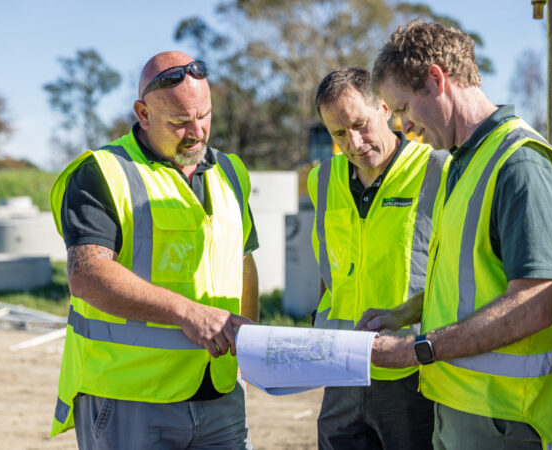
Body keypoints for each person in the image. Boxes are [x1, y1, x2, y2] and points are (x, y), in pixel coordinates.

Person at [359, 21, 552, 449]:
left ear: (436, 79)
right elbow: (469, 280)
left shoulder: (520, 166)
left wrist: (416, 350)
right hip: (462, 409)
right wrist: (404, 314)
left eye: (402, 108)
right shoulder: (460, 162)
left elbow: (533, 305)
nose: (402, 127)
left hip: (509, 422)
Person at [49, 51, 259, 449]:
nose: (196, 132)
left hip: (220, 394)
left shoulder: (231, 172)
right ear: (143, 114)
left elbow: (243, 262)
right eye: (179, 122)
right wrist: (187, 313)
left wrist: (247, 352)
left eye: (205, 115)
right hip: (128, 397)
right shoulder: (101, 173)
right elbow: (88, 276)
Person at [308, 66, 450, 449]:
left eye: (360, 124)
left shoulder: (437, 169)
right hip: (340, 368)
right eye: (338, 133)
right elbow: (329, 271)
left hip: (410, 369)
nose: (353, 143)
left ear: (385, 109)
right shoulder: (321, 179)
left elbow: (452, 272)